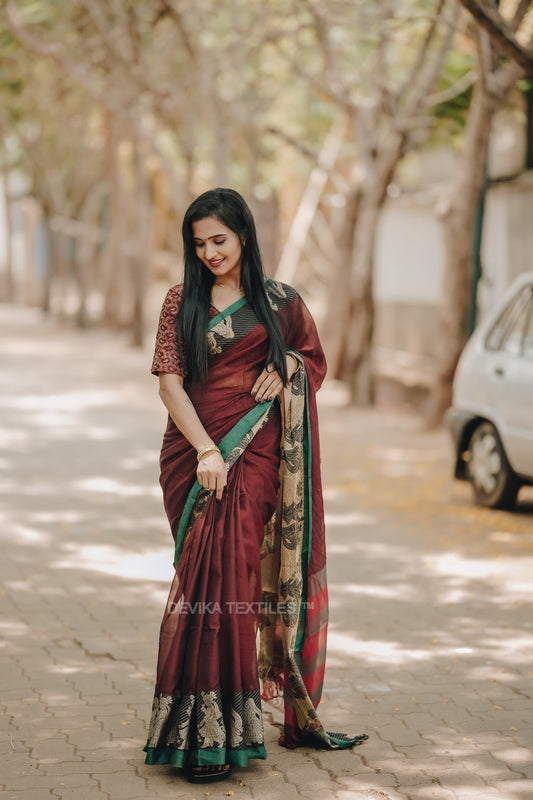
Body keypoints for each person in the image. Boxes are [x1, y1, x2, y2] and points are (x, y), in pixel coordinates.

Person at [143, 188, 367, 784]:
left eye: (220, 239)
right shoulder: (179, 301)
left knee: (232, 580)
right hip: (195, 456)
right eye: (199, 243)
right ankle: (188, 727)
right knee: (199, 581)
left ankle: (223, 736)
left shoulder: (279, 303)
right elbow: (169, 383)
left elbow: (313, 361)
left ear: (244, 234)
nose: (210, 252)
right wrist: (207, 449)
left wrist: (286, 366)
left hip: (258, 458)